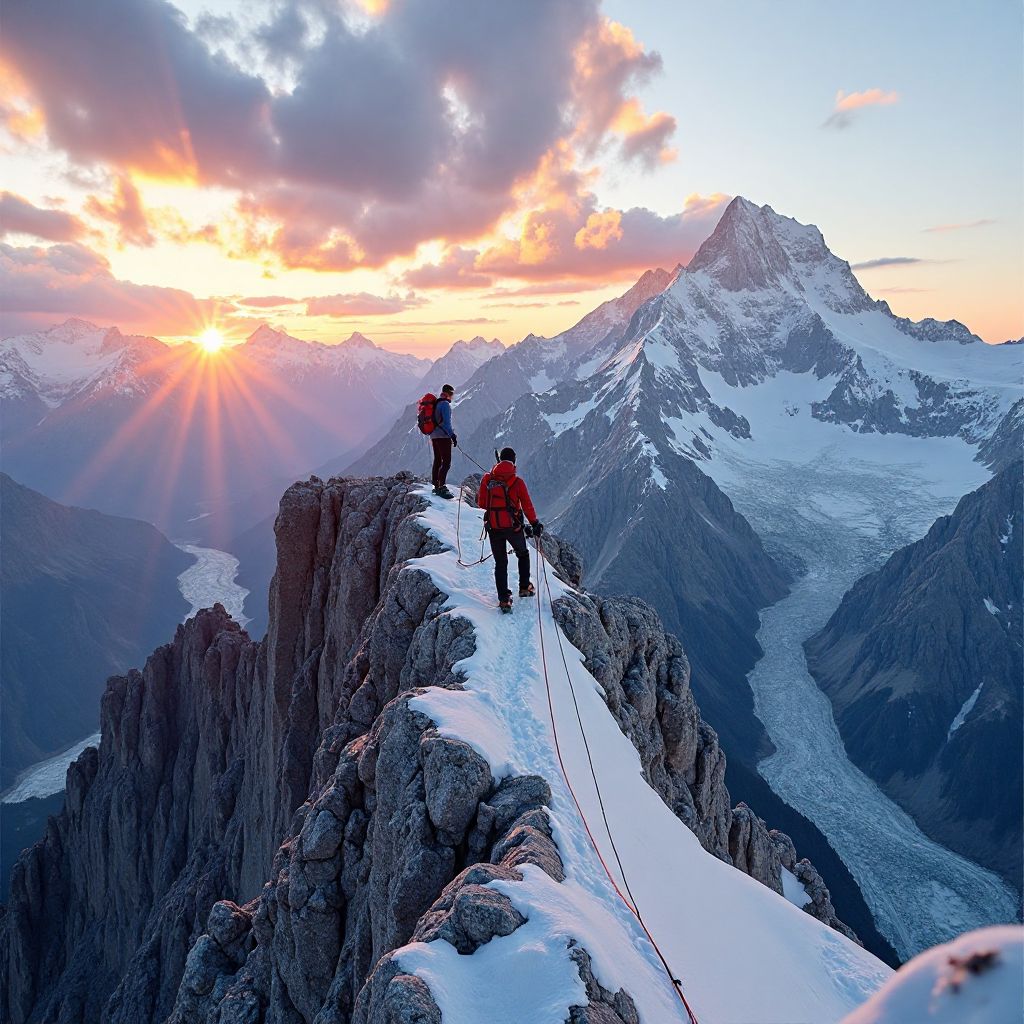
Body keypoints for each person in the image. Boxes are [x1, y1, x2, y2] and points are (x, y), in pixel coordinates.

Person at [478, 447, 544, 613]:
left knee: (500, 562)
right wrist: (534, 523)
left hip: (494, 527)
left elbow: (482, 504)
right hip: (513, 527)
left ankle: (504, 600)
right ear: (514, 461)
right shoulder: (517, 481)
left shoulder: (488, 479)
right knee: (522, 553)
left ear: (499, 460)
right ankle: (524, 587)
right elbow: (527, 505)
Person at [430, 384, 457, 499]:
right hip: (443, 437)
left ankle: (436, 485)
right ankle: (442, 487)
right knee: (446, 462)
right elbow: (446, 423)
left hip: (434, 436)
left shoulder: (436, 403)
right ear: (450, 393)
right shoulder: (445, 405)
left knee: (437, 460)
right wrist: (452, 435)